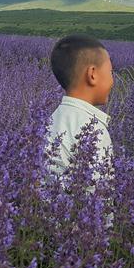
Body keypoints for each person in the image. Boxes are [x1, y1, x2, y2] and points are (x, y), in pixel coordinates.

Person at [46, 34, 115, 182]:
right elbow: (98, 192)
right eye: (110, 72)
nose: (112, 81)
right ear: (93, 75)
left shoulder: (51, 120)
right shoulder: (95, 132)